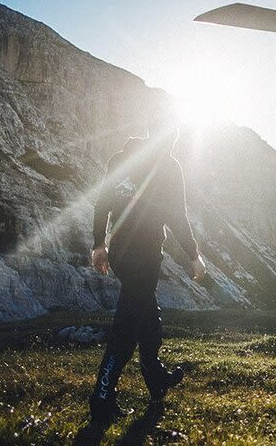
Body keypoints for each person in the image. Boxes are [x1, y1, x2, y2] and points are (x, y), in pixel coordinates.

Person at [89, 124, 207, 424]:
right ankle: (102, 397)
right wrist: (193, 255)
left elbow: (103, 202)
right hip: (144, 255)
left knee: (147, 316)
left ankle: (157, 380)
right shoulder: (169, 166)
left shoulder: (120, 159)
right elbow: (177, 216)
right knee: (127, 326)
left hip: (120, 253)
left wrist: (100, 244)